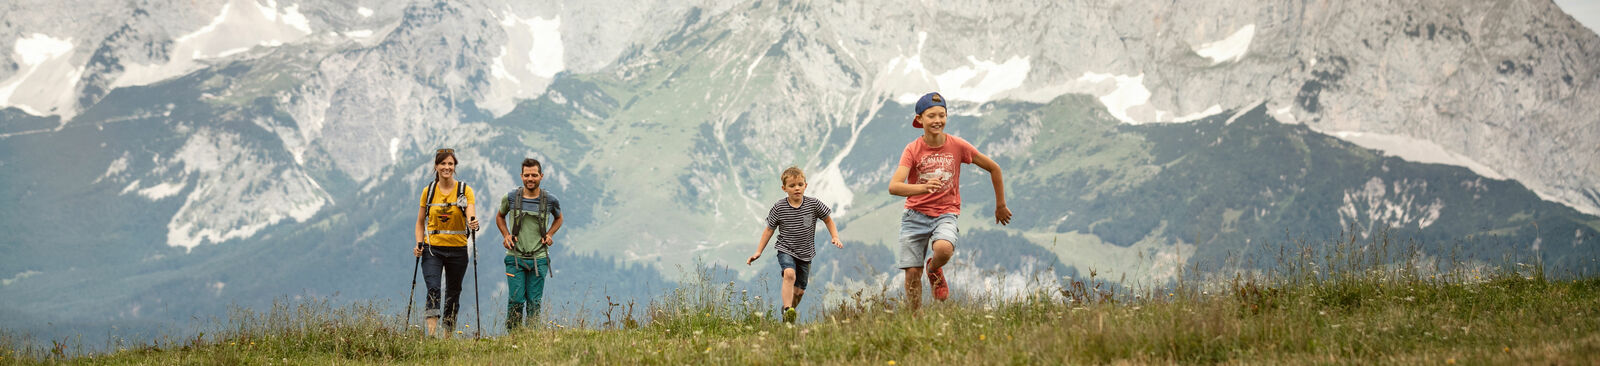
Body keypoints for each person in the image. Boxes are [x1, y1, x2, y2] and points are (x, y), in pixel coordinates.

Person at [887, 92, 1012, 312]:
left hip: (945, 213)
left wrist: (1000, 205)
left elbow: (994, 168)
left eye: (942, 115)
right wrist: (922, 188)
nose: (937, 120)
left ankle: (934, 269)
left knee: (943, 249)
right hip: (914, 215)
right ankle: (915, 320)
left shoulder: (958, 146)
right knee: (912, 273)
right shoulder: (912, 149)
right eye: (931, 116)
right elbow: (894, 186)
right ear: (919, 120)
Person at [746, 166, 843, 323]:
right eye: (792, 186)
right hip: (786, 249)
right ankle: (787, 308)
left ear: (806, 185)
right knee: (789, 274)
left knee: (799, 292)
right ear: (784, 188)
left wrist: (835, 236)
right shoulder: (779, 207)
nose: (797, 188)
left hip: (806, 253)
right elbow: (769, 230)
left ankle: (788, 316)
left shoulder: (813, 204)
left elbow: (828, 219)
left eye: (800, 184)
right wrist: (758, 252)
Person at [413, 148, 479, 338]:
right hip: (432, 248)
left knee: (453, 293)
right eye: (443, 163)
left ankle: (447, 336)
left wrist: (472, 222)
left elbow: (471, 213)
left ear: (455, 167)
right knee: (433, 288)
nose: (447, 167)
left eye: (450, 164)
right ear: (436, 166)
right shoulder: (429, 191)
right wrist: (419, 243)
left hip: (458, 249)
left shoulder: (464, 190)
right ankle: (432, 336)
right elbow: (419, 222)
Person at [496, 158, 563, 331]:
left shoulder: (550, 200)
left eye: (534, 175)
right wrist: (506, 235)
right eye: (527, 175)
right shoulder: (510, 197)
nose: (530, 178)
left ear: (541, 176)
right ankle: (513, 336)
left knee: (534, 301)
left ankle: (532, 337)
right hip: (514, 257)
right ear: (521, 176)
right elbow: (500, 216)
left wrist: (549, 234)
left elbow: (559, 218)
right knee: (516, 300)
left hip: (539, 258)